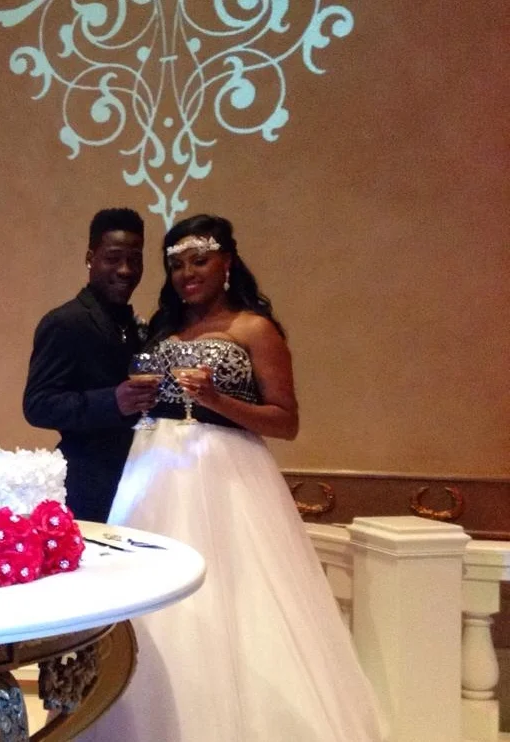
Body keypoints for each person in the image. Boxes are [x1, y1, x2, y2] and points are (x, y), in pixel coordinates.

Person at [75, 214, 388, 741]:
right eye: (175, 264)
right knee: (152, 604)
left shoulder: (254, 329)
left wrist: (217, 400)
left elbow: (286, 421)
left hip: (225, 479)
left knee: (233, 597)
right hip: (152, 471)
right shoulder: (163, 328)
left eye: (199, 260)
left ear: (227, 262)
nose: (186, 274)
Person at [23, 208, 159, 523]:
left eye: (135, 259)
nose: (125, 270)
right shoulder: (65, 322)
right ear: (90, 258)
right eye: (113, 258)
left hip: (141, 479)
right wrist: (113, 401)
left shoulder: (137, 326)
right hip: (88, 483)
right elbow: (37, 405)